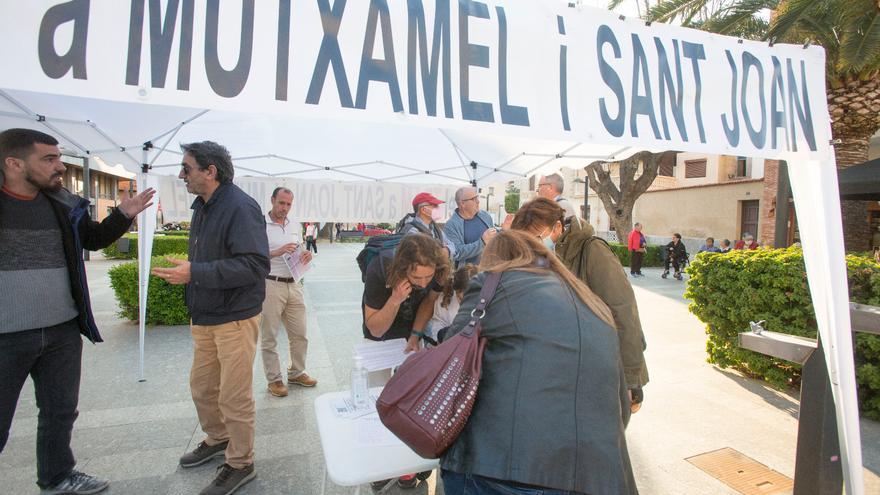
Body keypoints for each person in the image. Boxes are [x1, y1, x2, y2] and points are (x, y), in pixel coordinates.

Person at [0, 128, 154, 495]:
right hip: (6, 336)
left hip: (61, 331)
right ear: (14, 163)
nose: (58, 166)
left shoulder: (63, 203)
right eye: (49, 159)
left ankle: (57, 476)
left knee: (60, 411)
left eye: (59, 157)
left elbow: (94, 239)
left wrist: (122, 215)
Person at [441, 230, 637, 495]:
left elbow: (449, 357)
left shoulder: (492, 284)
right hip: (599, 473)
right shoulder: (591, 302)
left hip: (509, 470)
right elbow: (619, 402)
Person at [151, 141, 269, 495]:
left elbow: (254, 265)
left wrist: (195, 273)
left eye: (187, 168)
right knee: (203, 388)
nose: (181, 174)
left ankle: (241, 462)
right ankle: (218, 438)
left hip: (234, 318)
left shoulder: (240, 207)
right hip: (204, 316)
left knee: (234, 396)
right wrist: (193, 278)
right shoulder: (202, 206)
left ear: (210, 171)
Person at [510, 198, 649, 404]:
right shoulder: (544, 257)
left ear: (557, 227)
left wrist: (630, 379)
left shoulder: (593, 250)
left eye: (537, 237)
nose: (533, 245)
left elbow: (623, 311)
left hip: (602, 368)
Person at [361, 234, 449, 490]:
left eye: (427, 277)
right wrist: (395, 299)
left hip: (409, 333)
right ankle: (380, 463)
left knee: (411, 401)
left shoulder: (438, 270)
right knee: (377, 401)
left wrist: (415, 334)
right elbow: (375, 328)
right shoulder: (380, 268)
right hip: (379, 337)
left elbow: (429, 301)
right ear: (403, 268)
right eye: (416, 277)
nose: (422, 283)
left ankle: (406, 462)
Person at [260, 187, 316, 398]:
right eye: (281, 203)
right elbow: (252, 254)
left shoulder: (295, 224)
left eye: (289, 204)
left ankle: (296, 372)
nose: (285, 208)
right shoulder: (260, 224)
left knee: (300, 333)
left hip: (294, 283)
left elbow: (299, 248)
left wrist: (306, 255)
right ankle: (274, 379)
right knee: (270, 336)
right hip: (271, 284)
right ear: (272, 200)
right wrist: (276, 252)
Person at [443, 187, 497, 267]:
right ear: (462, 204)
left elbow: (492, 237)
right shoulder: (451, 225)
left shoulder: (485, 216)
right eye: (473, 199)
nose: (478, 201)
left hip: (489, 270)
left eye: (477, 198)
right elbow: (456, 252)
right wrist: (482, 242)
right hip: (468, 275)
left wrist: (504, 230)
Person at [427, 264, 478, 343]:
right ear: (456, 291)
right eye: (461, 299)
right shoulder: (446, 299)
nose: (466, 303)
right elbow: (438, 322)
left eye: (470, 299)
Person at [397, 192, 456, 258]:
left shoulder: (434, 227)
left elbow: (452, 246)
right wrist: (442, 252)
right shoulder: (411, 231)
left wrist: (446, 250)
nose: (438, 208)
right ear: (423, 210)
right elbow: (422, 255)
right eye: (435, 205)